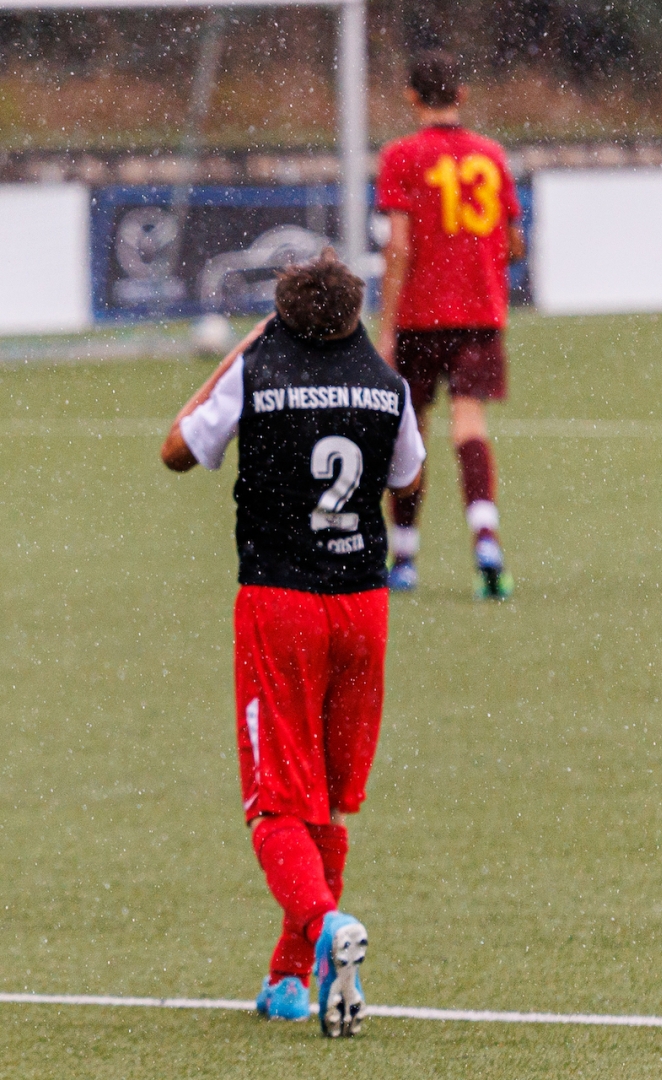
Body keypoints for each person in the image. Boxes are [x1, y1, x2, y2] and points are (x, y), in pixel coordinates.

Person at [161, 250, 425, 1036]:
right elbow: (408, 479)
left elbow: (176, 450)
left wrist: (240, 355)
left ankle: (322, 926)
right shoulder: (386, 384)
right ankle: (287, 979)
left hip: (281, 602)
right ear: (351, 315)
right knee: (328, 799)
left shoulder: (259, 370)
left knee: (276, 799)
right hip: (363, 604)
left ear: (280, 316)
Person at [376, 51, 525, 599]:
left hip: (420, 316)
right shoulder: (491, 155)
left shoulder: (400, 156)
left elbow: (398, 247)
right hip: (479, 315)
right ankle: (485, 539)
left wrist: (387, 327)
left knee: (409, 432)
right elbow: (513, 242)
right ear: (461, 95)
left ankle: (404, 558)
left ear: (411, 97)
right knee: (470, 424)